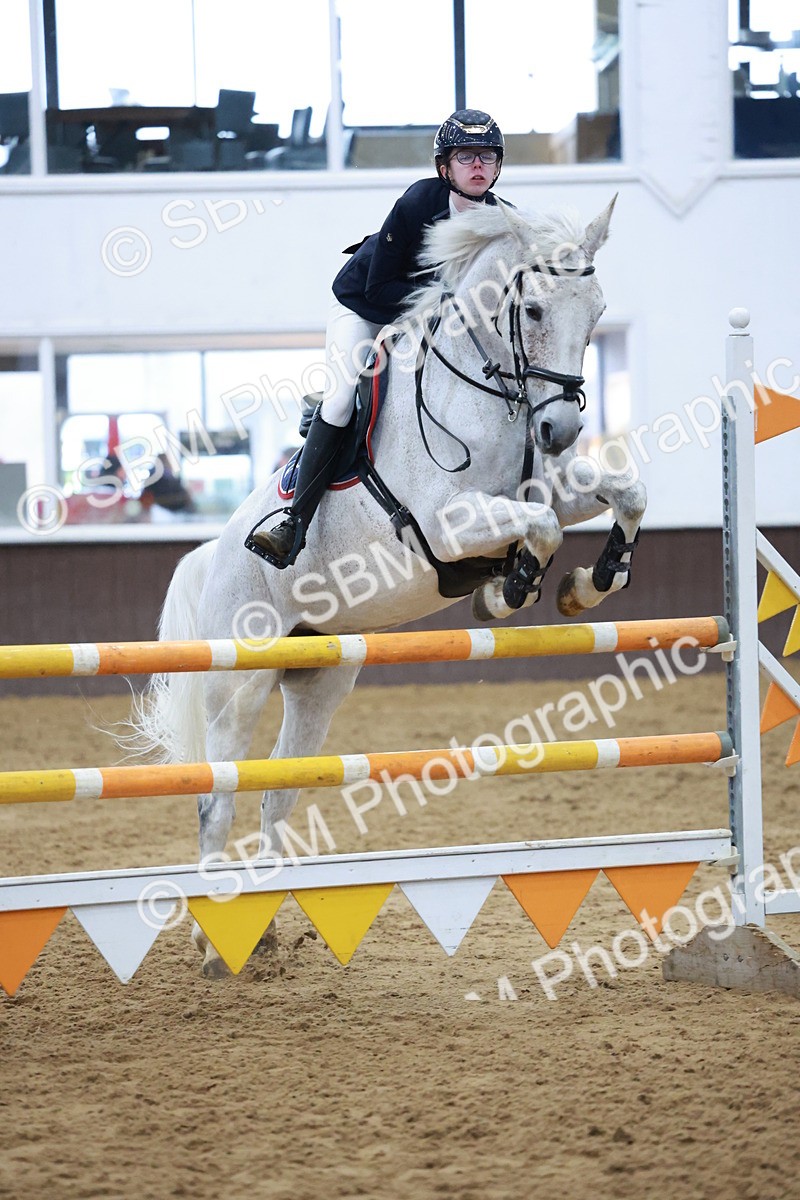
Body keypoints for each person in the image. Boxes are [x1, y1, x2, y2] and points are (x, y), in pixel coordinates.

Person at [248, 108, 507, 567]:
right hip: (364, 306)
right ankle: (294, 522)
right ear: (444, 167)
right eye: (466, 156)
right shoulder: (417, 203)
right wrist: (443, 300)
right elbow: (379, 289)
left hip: (426, 313)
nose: (478, 166)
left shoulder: (502, 218)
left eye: (487, 156)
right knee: (343, 399)